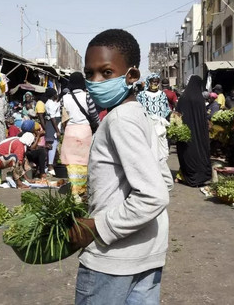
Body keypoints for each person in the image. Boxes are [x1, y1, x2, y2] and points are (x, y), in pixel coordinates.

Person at [68, 28, 172, 305]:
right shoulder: (142, 115)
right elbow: (165, 178)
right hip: (146, 255)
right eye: (89, 74)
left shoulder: (119, 121)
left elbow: (154, 195)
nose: (95, 81)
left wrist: (97, 225)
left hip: (112, 260)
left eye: (106, 73)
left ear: (132, 76)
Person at [60, 72, 100, 199]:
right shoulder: (87, 96)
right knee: (84, 162)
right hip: (85, 132)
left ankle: (74, 191)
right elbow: (94, 115)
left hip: (70, 132)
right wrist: (97, 127)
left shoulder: (64, 98)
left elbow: (63, 118)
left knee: (72, 163)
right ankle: (82, 191)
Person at [175, 75, 212, 187]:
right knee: (200, 151)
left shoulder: (184, 97)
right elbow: (203, 116)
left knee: (187, 152)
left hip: (185, 132)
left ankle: (188, 176)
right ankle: (201, 176)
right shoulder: (200, 98)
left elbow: (177, 114)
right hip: (200, 132)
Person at [137, 73, 171, 160]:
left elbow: (166, 109)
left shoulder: (162, 95)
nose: (155, 83)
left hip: (160, 127)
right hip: (146, 126)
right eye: (153, 81)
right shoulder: (142, 95)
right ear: (149, 82)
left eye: (156, 82)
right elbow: (137, 109)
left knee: (161, 154)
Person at [43, 88, 62, 176]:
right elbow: (53, 118)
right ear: (53, 95)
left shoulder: (52, 103)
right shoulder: (50, 104)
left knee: (54, 144)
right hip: (53, 125)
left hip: (55, 124)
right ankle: (50, 165)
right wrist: (57, 131)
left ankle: (50, 164)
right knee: (52, 145)